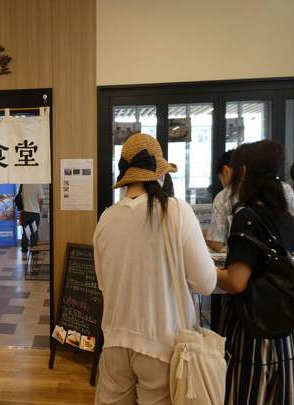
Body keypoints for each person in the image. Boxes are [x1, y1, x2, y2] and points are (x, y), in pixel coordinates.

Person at [93, 134, 216, 405]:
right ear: (159, 174)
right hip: (161, 344)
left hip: (114, 340)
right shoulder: (176, 211)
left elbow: (103, 284)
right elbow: (206, 282)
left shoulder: (106, 218)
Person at [216, 140, 294, 404]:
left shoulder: (247, 217)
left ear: (245, 173)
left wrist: (204, 270)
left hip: (254, 336)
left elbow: (236, 282)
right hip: (286, 337)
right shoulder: (287, 218)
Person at [208, 147, 294, 252]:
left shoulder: (225, 198)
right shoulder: (285, 189)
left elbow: (216, 242)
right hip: (285, 257)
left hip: (244, 257)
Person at [206, 149, 235, 252]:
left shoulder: (224, 197)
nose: (223, 184)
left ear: (226, 171)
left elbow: (216, 244)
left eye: (221, 178)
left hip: (238, 258)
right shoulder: (276, 190)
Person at [19, 184, 44, 258]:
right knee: (34, 232)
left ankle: (24, 251)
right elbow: (41, 199)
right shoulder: (38, 185)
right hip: (34, 213)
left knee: (26, 233)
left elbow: (21, 197)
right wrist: (39, 207)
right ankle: (34, 251)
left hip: (25, 213)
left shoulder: (24, 184)